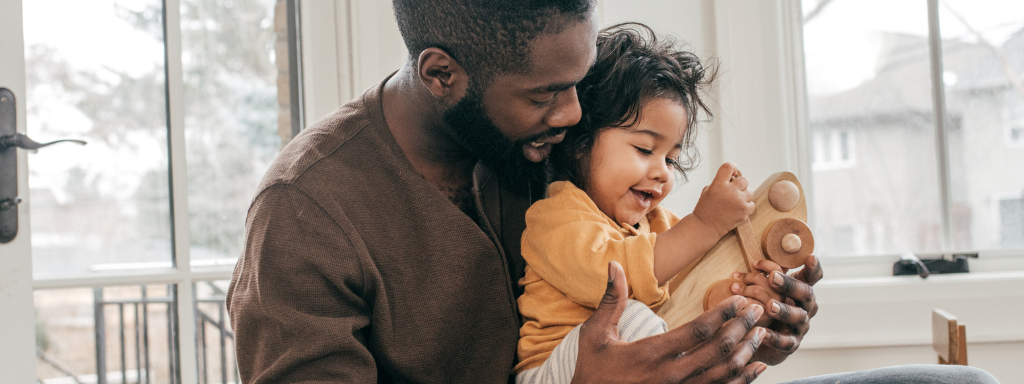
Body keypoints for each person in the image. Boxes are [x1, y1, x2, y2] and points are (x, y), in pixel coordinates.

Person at [226, 0, 1000, 383]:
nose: (571, 115)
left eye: (579, 86)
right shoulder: (307, 214)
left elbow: (659, 282)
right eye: (545, 95)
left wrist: (740, 327)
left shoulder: (548, 143)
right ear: (440, 74)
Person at [514, 23, 772, 382]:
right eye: (645, 149)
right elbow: (616, 278)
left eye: (671, 159)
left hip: (635, 367)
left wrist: (751, 293)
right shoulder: (556, 217)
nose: (663, 173)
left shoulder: (662, 226)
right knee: (632, 314)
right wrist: (706, 224)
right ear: (580, 143)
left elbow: (693, 288)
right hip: (555, 369)